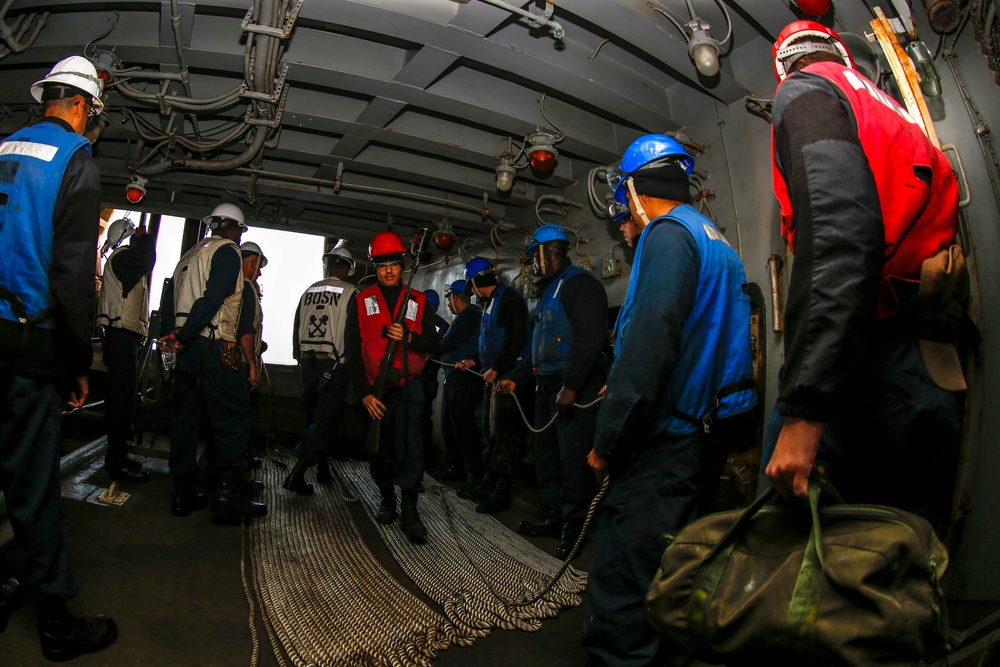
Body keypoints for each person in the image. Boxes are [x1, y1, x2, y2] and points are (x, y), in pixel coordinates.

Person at [764, 21, 963, 535]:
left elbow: (839, 231)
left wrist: (806, 408)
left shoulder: (806, 90)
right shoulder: (897, 114)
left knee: (803, 561)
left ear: (784, 67)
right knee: (903, 564)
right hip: (927, 366)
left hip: (856, 373)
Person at [582, 134, 757, 666]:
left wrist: (608, 443)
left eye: (625, 207)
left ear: (635, 189)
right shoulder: (716, 240)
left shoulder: (666, 233)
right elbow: (701, 338)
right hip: (705, 437)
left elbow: (652, 340)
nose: (628, 225)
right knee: (675, 578)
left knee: (621, 587)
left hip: (663, 447)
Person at [0, 55, 118, 661]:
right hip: (29, 343)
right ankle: (55, 621)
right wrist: (76, 362)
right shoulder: (75, 162)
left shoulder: (2, 148)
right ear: (80, 106)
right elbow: (73, 279)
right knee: (33, 481)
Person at [498, 225, 608, 560]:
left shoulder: (582, 285)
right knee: (547, 458)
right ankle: (554, 516)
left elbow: (590, 339)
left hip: (571, 387)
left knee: (572, 459)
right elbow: (536, 347)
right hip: (546, 386)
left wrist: (572, 386)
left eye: (535, 256)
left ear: (552, 252)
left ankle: (574, 528)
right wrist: (517, 377)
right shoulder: (546, 293)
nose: (533, 263)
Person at [159, 202, 267, 524]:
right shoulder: (227, 252)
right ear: (235, 229)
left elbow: (169, 295)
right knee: (234, 418)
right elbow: (214, 297)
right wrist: (188, 333)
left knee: (186, 419)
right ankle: (226, 498)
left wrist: (174, 336)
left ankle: (182, 494)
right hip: (212, 344)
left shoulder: (188, 257)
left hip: (187, 350)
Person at [345, 232, 439, 543]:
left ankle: (410, 510)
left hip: (410, 386)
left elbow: (433, 342)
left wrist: (409, 337)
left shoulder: (419, 301)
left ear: (402, 266)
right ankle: (388, 499)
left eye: (395, 264)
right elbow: (353, 350)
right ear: (374, 267)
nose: (389, 270)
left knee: (411, 446)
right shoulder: (360, 301)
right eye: (383, 265)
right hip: (377, 389)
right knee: (380, 449)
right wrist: (365, 393)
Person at [455, 257, 530, 514]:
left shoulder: (509, 299)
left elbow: (516, 338)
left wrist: (497, 369)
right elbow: (490, 343)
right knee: (491, 431)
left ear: (475, 282)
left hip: (508, 376)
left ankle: (503, 492)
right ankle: (490, 481)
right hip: (494, 374)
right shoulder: (491, 303)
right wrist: (474, 361)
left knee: (505, 434)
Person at [283, 246, 357, 494]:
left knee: (316, 418)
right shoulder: (351, 293)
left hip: (307, 363)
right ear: (347, 268)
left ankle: (322, 467)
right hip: (334, 363)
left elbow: (296, 327)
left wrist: (299, 359)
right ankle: (298, 472)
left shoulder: (308, 291)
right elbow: (354, 333)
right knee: (325, 420)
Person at [97, 217, 155, 483]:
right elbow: (146, 261)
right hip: (121, 337)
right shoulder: (122, 259)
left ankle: (119, 455)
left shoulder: (117, 262)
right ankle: (116, 461)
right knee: (121, 400)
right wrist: (143, 239)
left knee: (123, 398)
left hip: (122, 336)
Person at [436, 280, 484, 485]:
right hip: (453, 375)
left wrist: (428, 349)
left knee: (463, 426)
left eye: (449, 300)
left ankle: (474, 473)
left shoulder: (470, 314)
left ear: (455, 297)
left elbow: (450, 341)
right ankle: (458, 468)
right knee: (450, 425)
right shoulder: (464, 317)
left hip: (464, 377)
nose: (448, 305)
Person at [420, 288, 449, 471]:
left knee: (415, 416)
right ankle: (425, 457)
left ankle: (418, 456)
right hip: (429, 377)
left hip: (419, 376)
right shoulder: (442, 324)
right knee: (424, 416)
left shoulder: (415, 322)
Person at [238, 241, 267, 392]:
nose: (259, 273)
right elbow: (245, 331)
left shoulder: (230, 286)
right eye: (259, 268)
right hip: (239, 363)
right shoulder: (247, 288)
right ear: (253, 262)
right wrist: (252, 365)